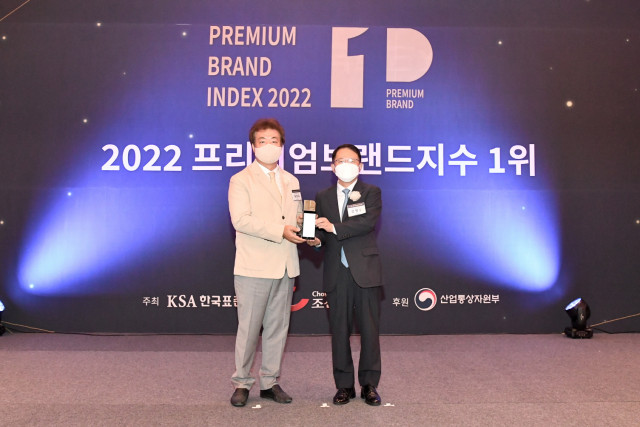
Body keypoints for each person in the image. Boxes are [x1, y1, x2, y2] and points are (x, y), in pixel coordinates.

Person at [228, 118, 306, 407]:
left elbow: (295, 217)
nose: (269, 146)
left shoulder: (291, 180)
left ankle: (269, 382)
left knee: (277, 328)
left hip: (285, 265)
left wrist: (306, 229)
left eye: (274, 141)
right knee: (249, 330)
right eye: (262, 141)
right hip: (254, 266)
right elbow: (241, 220)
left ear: (282, 145)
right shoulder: (241, 180)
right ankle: (241, 382)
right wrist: (280, 230)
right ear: (253, 146)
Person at [308, 144, 383, 406]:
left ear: (360, 166)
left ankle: (369, 385)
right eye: (341, 160)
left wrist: (333, 227)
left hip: (365, 270)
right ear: (332, 167)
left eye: (352, 160)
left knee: (369, 330)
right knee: (339, 331)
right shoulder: (323, 196)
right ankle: (344, 386)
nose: (346, 164)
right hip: (336, 271)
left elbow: (366, 223)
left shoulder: (371, 192)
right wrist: (315, 240)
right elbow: (321, 232)